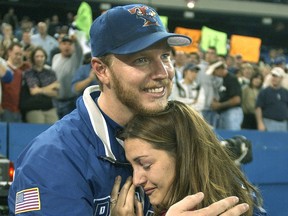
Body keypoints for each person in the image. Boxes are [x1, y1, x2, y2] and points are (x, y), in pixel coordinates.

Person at [9, 4, 250, 215]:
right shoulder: (52, 159)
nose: (162, 73)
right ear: (102, 70)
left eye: (165, 56)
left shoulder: (181, 132)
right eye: (141, 60)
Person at [110, 100, 266, 216]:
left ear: (184, 155)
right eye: (132, 167)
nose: (137, 180)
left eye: (145, 164)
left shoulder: (242, 208)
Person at [20, 47, 59, 123]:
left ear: (45, 57)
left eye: (42, 56)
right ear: (33, 58)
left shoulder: (50, 73)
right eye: (37, 56)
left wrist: (39, 89)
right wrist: (50, 87)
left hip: (49, 107)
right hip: (34, 107)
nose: (39, 59)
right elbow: (33, 91)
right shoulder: (28, 73)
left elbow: (55, 93)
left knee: (54, 128)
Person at [51, 34, 83, 119]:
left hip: (70, 101)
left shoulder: (75, 58)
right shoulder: (55, 57)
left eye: (69, 44)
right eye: (64, 44)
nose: (67, 46)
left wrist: (76, 41)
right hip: (55, 100)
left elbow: (79, 50)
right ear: (60, 45)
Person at [207, 61, 243, 130]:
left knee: (231, 136)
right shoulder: (218, 80)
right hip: (221, 113)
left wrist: (219, 105)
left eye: (214, 72)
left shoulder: (231, 79)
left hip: (232, 112)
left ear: (220, 69)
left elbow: (236, 100)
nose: (213, 74)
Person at [255, 67, 288, 131]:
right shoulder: (264, 92)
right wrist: (260, 123)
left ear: (281, 78)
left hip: (283, 123)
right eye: (273, 76)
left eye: (276, 76)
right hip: (268, 122)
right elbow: (258, 108)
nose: (274, 78)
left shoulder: (285, 92)